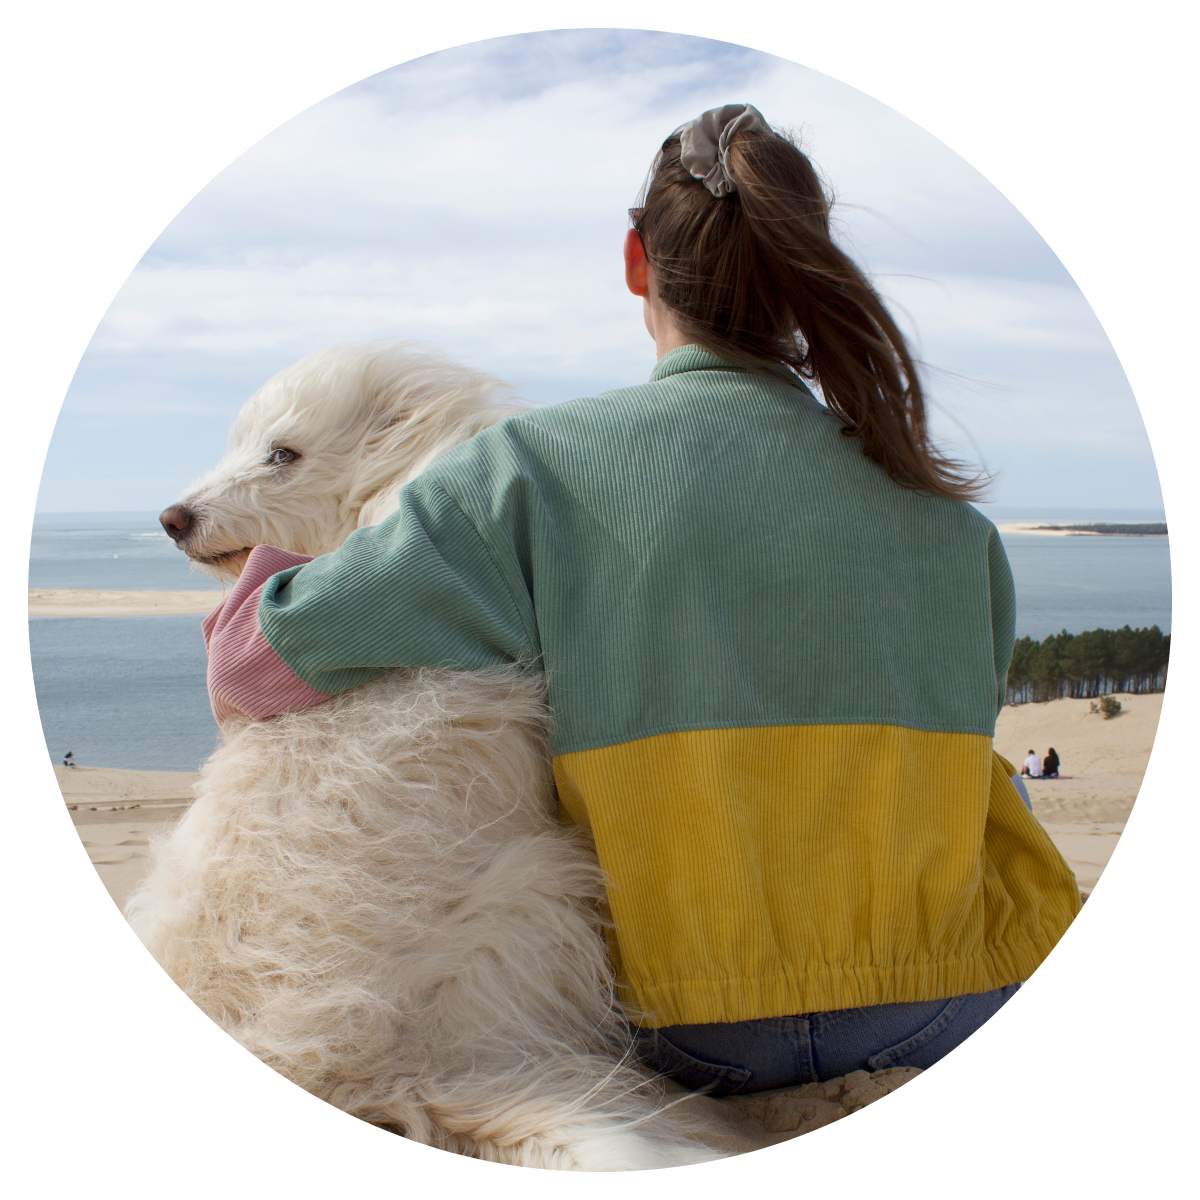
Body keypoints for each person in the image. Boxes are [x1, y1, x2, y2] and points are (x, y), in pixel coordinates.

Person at [202, 104, 1080, 1093]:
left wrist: (282, 529)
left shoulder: (529, 473)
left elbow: (251, 669)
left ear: (636, 261)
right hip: (961, 996)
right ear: (803, 280)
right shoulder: (951, 524)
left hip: (700, 1023)